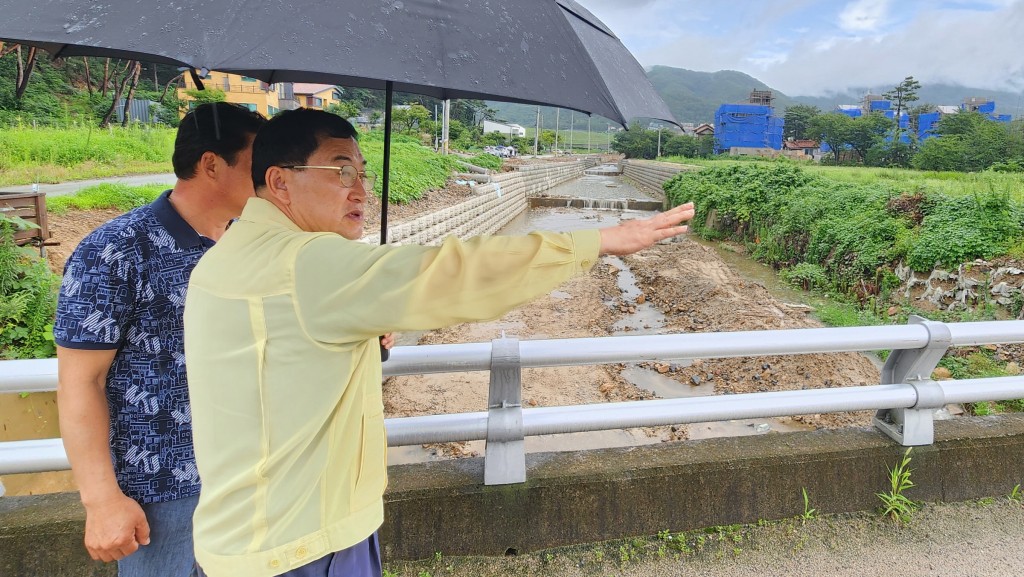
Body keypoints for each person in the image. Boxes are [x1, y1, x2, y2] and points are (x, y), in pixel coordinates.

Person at [183, 108, 695, 577]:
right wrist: (599, 241)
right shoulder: (309, 264)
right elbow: (453, 272)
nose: (360, 189)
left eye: (363, 172)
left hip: (245, 534)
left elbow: (282, 363)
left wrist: (358, 331)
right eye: (341, 171)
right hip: (303, 544)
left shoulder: (229, 255)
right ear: (279, 181)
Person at [53, 102, 266, 577]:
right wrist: (102, 500)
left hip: (248, 477)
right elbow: (79, 381)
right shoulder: (115, 251)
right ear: (210, 164)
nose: (267, 179)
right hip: (161, 492)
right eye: (257, 165)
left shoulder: (249, 245)